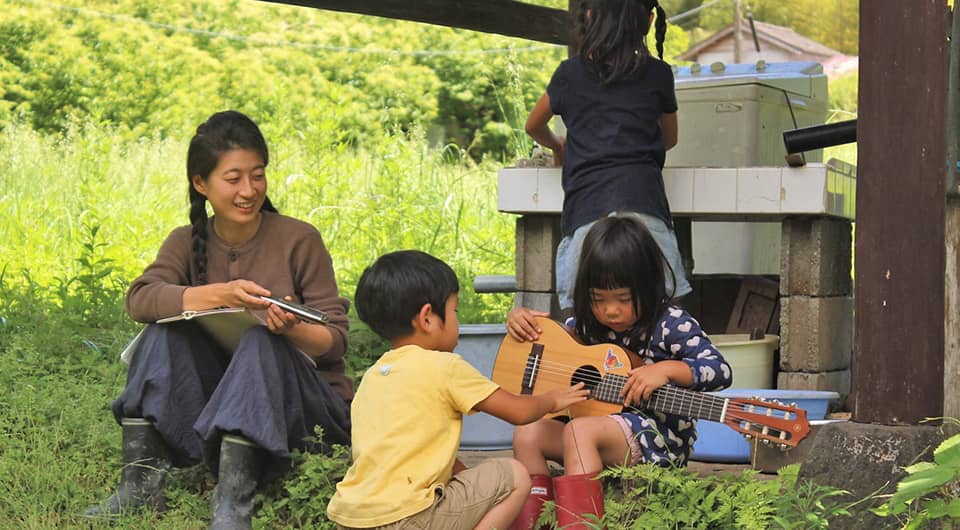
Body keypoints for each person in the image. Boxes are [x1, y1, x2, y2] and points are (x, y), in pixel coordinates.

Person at [84, 110, 352, 530]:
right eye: (233, 179)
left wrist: (292, 328)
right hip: (211, 407)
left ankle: (233, 502)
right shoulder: (184, 242)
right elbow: (140, 299)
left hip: (304, 412)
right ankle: (140, 485)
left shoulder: (300, 239)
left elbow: (335, 341)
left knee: (262, 341)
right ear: (201, 184)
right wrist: (216, 296)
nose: (249, 190)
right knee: (161, 333)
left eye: (257, 175)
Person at [326, 250, 590, 529]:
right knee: (514, 474)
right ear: (428, 318)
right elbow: (519, 411)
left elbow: (413, 454)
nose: (457, 320)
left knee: (469, 476)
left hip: (352, 517)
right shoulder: (443, 366)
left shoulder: (372, 377)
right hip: (410, 518)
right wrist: (551, 399)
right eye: (455, 310)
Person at [505, 214, 733, 529]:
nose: (610, 310)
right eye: (598, 300)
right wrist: (522, 323)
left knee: (578, 430)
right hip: (593, 434)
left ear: (648, 287)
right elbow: (553, 347)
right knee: (528, 432)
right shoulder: (586, 325)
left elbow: (718, 370)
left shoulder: (670, 323)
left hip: (658, 440)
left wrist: (666, 370)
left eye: (623, 299)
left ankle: (580, 525)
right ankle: (534, 524)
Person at [525, 0, 691, 313]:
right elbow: (670, 138)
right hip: (646, 207)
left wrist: (558, 145)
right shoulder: (658, 74)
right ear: (649, 19)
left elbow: (533, 125)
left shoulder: (569, 74)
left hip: (587, 209)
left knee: (590, 323)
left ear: (588, 15)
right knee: (660, 317)